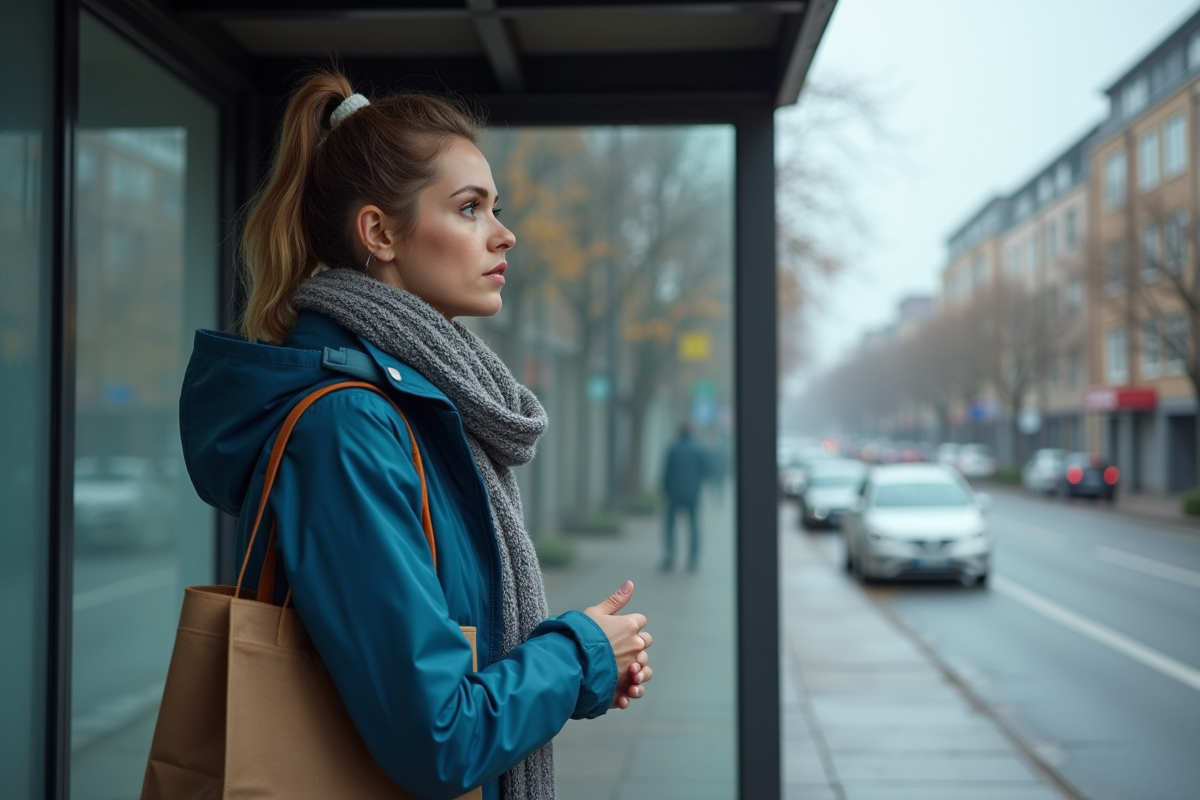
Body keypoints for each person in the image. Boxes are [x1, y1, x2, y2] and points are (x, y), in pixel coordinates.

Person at [179, 72, 652, 800]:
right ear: (380, 233)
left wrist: (579, 671)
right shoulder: (352, 426)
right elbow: (438, 735)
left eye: (497, 207)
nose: (505, 233)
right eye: (470, 209)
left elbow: (448, 667)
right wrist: (580, 654)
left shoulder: (428, 410)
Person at [660, 422, 708, 572]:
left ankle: (670, 557)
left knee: (670, 526)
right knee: (693, 525)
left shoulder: (673, 449)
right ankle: (693, 559)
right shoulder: (698, 449)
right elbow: (704, 471)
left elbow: (666, 473)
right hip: (692, 493)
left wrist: (665, 490)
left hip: (674, 493)